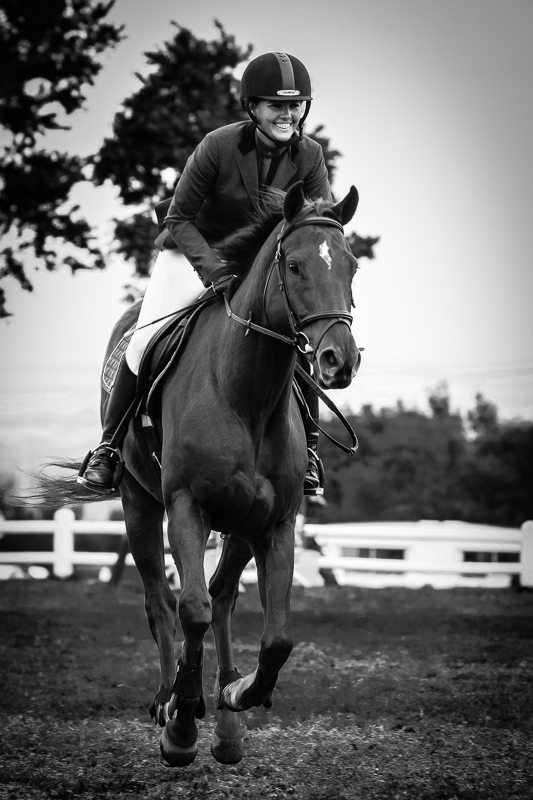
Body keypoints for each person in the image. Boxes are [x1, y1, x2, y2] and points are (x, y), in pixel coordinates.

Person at [78, 51, 332, 496]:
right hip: (194, 251)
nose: (288, 114)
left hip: (257, 262)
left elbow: (314, 225)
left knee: (297, 337)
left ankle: (307, 451)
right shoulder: (218, 145)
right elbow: (178, 219)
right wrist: (212, 269)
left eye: (295, 105)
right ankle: (109, 449)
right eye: (277, 104)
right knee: (142, 340)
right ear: (252, 107)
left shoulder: (309, 155)